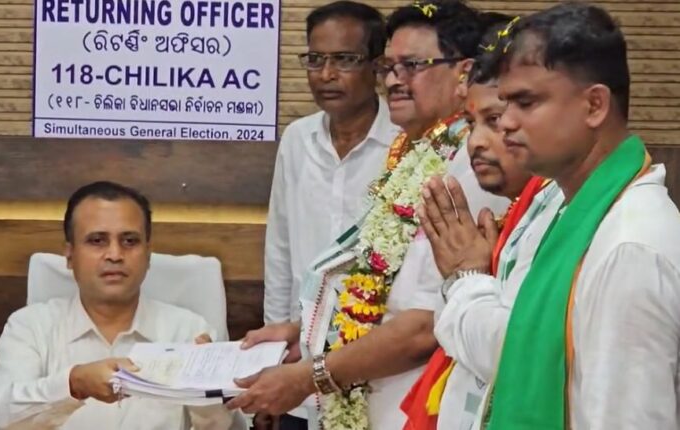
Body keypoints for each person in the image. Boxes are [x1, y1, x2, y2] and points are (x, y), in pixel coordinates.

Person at [229, 2, 509, 429]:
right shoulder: (419, 153)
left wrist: (310, 376)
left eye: (412, 65)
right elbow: (382, 292)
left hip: (418, 406)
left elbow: (426, 324)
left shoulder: (473, 166)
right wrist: (304, 331)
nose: (393, 80)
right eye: (388, 67)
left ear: (463, 74)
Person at [421, 4, 680, 429]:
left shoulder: (629, 245)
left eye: (526, 102)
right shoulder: (565, 204)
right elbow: (527, 351)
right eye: (506, 103)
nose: (506, 123)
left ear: (594, 105)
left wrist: (466, 280)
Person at [402, 14, 564, 430]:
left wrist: (467, 275)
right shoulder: (519, 209)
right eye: (471, 122)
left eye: (494, 121)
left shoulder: (561, 216)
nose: (475, 141)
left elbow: (521, 355)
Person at [0, 181, 240, 430]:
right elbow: (2, 419)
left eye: (129, 241)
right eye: (97, 240)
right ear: (70, 255)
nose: (115, 255)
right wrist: (74, 384)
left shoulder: (189, 331)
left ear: (148, 255)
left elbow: (226, 427)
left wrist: (204, 391)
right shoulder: (30, 326)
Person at [262, 2, 398, 427]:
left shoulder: (405, 144)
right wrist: (273, 357)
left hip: (377, 367)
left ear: (377, 66)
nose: (325, 74)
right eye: (315, 59)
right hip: (300, 367)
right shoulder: (297, 139)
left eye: (344, 59)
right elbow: (280, 247)